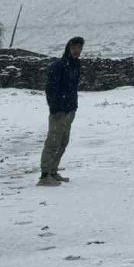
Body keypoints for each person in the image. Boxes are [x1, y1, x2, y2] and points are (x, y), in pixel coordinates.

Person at [39, 36, 84, 186]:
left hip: (70, 109)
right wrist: (55, 108)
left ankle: (53, 171)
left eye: (79, 48)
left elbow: (73, 87)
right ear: (68, 48)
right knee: (53, 141)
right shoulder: (58, 65)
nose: (77, 51)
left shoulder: (75, 65)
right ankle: (45, 175)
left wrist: (73, 107)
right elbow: (50, 89)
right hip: (59, 111)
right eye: (75, 48)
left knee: (63, 141)